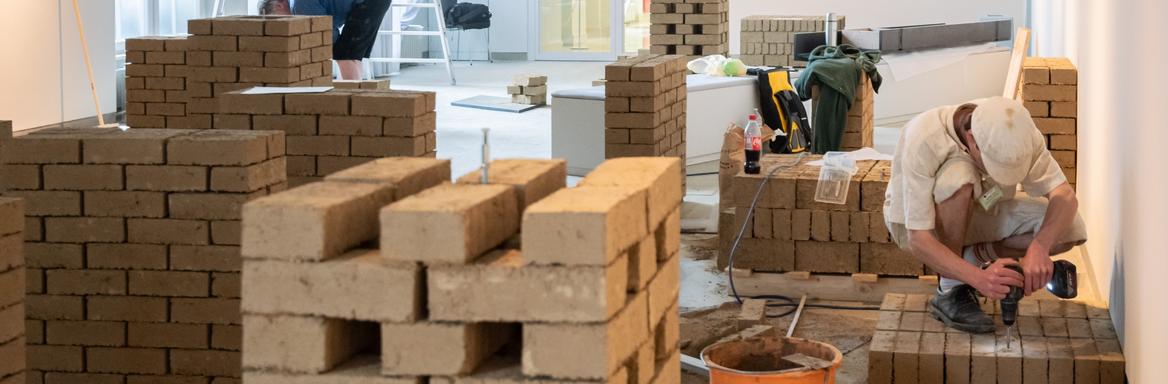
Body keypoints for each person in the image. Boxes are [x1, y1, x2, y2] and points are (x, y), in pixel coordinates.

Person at [884, 96, 1087, 334]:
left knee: (1069, 226)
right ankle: (950, 289)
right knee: (959, 178)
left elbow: (1064, 195)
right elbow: (918, 239)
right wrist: (979, 280)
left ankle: (971, 257)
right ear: (972, 140)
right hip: (918, 225)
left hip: (980, 207)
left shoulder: (1015, 128)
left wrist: (1039, 247)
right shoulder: (925, 138)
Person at [259, 0, 392, 80]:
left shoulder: (299, 6)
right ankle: (356, 93)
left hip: (368, 3)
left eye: (277, 20)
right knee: (351, 55)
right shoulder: (298, 6)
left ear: (278, 5)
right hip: (368, 3)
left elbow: (326, 32)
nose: (282, 25)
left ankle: (353, 99)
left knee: (344, 55)